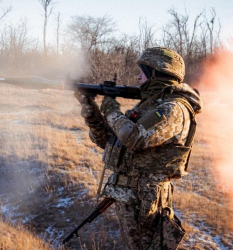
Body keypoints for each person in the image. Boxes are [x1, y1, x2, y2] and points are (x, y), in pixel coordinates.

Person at [75, 47, 202, 250]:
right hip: (131, 195)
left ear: (157, 73)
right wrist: (94, 117)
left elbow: (134, 138)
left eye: (142, 72)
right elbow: (111, 140)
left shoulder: (174, 108)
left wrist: (111, 109)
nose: (137, 76)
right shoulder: (147, 106)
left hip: (146, 200)